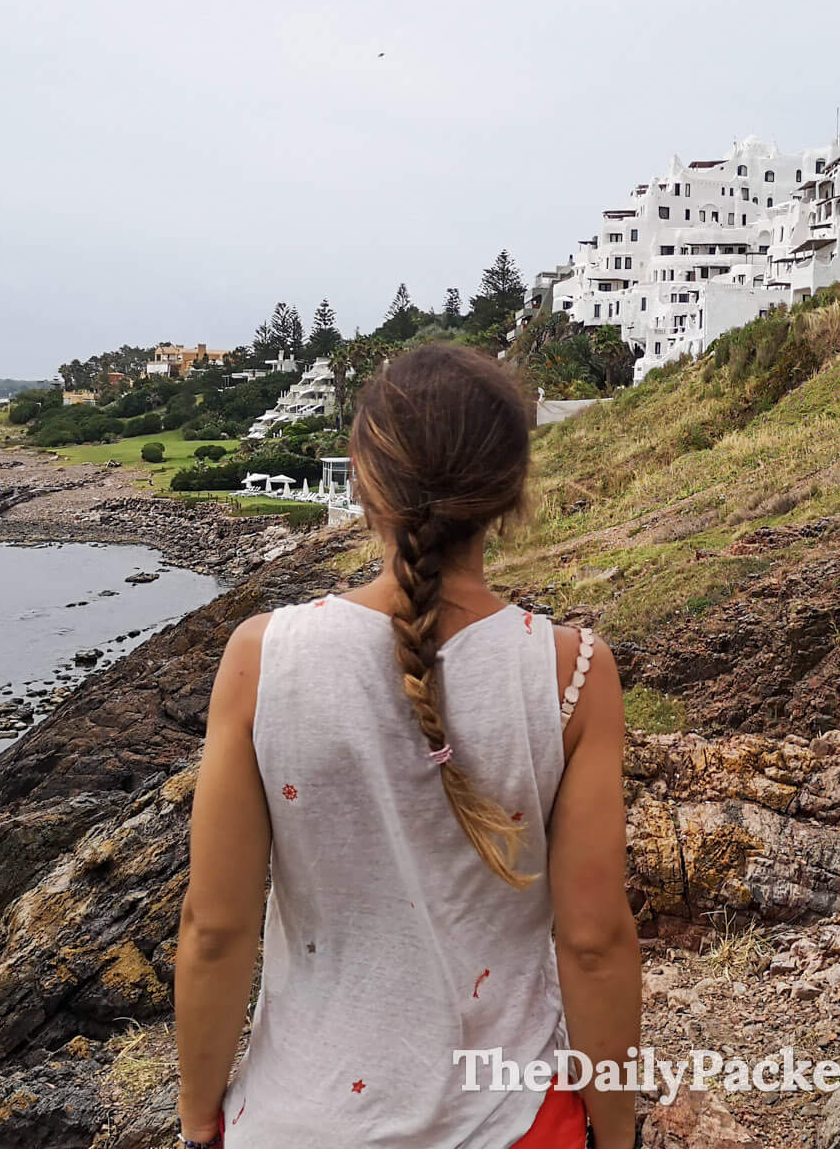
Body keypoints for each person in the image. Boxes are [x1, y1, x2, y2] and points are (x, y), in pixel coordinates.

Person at [174, 342, 640, 1148]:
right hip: (508, 1122)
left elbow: (215, 928)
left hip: (297, 1121)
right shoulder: (574, 673)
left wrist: (196, 1121)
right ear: (512, 490)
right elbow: (595, 940)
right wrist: (620, 1132)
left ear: (364, 476)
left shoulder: (261, 657)